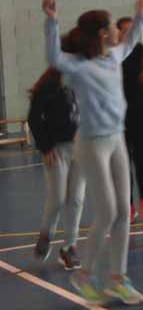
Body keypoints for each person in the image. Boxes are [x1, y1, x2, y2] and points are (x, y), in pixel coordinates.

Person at [42, 0, 143, 305]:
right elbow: (53, 56)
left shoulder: (114, 56)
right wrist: (51, 21)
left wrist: (140, 17)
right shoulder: (77, 66)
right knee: (108, 210)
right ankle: (84, 274)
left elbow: (131, 42)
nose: (118, 31)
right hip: (91, 144)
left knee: (123, 212)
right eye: (113, 26)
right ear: (102, 33)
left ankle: (118, 278)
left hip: (117, 139)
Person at [29, 32, 85, 270]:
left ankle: (69, 247)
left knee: (77, 199)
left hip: (82, 148)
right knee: (58, 197)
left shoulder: (85, 80)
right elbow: (34, 117)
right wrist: (45, 147)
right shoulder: (50, 84)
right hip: (57, 149)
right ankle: (46, 233)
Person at [117, 17, 143, 220]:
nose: (128, 33)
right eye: (124, 30)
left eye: (130, 30)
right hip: (120, 113)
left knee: (142, 157)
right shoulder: (113, 54)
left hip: (142, 110)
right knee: (123, 161)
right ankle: (128, 205)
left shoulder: (142, 51)